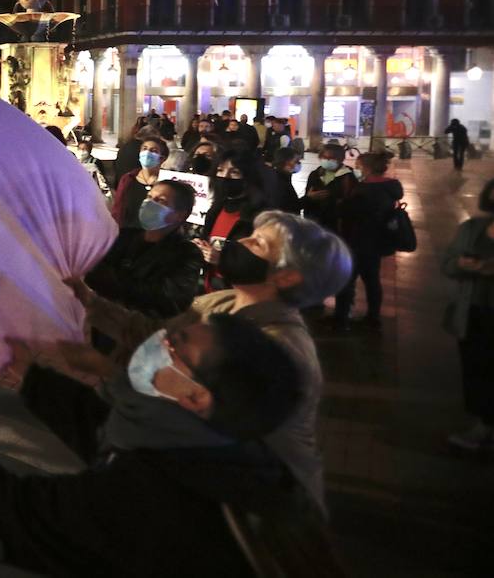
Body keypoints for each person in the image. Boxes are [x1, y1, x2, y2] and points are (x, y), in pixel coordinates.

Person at [0, 314, 335, 578]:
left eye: (177, 345)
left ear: (197, 396)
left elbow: (4, 510)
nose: (163, 339)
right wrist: (31, 381)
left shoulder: (151, 503)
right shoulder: (218, 447)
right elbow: (110, 432)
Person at [73, 210, 351, 512]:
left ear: (287, 276)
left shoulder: (278, 350)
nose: (240, 242)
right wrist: (91, 302)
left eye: (257, 243)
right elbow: (152, 334)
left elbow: (202, 426)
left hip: (248, 498)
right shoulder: (222, 301)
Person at [84, 180, 201, 320]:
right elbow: (92, 271)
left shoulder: (186, 254)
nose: (149, 204)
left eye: (161, 201)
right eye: (149, 197)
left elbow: (168, 300)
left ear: (180, 215)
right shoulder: (123, 236)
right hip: (103, 322)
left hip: (141, 331)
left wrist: (111, 280)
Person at [443, 179, 494, 450]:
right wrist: (462, 265)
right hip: (473, 311)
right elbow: (447, 264)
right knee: (475, 368)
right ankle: (482, 425)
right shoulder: (472, 229)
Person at [333, 152, 403, 331]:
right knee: (372, 281)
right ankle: (373, 317)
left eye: (357, 166)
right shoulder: (390, 187)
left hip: (358, 241)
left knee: (346, 281)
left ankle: (341, 318)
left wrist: (342, 202)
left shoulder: (365, 190)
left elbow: (347, 212)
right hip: (377, 242)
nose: (356, 169)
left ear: (367, 168)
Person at [197, 149, 274, 291]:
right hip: (211, 290)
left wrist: (222, 260)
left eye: (234, 172)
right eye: (220, 170)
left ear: (249, 177)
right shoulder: (216, 210)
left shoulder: (262, 217)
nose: (224, 177)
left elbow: (263, 265)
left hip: (242, 295)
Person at [109, 137, 169, 228]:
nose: (147, 153)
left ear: (162, 159)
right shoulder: (128, 179)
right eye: (144, 149)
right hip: (129, 234)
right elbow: (118, 210)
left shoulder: (167, 183)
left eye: (153, 151)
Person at [301, 143, 354, 233]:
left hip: (336, 224)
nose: (327, 160)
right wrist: (310, 198)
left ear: (340, 159)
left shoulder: (348, 177)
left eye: (331, 158)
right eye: (324, 157)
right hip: (315, 221)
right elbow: (307, 196)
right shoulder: (315, 174)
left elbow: (351, 202)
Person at [270, 147, 304, 215]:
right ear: (287, 162)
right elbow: (290, 207)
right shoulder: (280, 182)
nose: (299, 164)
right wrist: (308, 198)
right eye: (296, 161)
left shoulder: (283, 176)